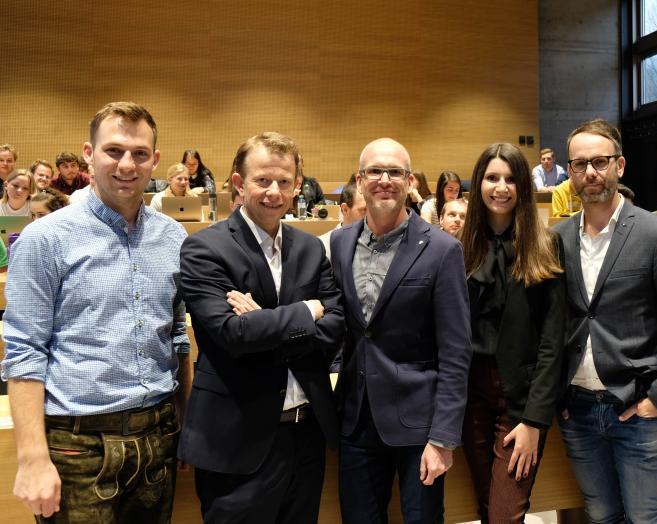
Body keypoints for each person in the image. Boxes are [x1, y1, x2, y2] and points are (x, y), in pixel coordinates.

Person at [1, 101, 191, 522]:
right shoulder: (45, 239)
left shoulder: (173, 237)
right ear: (89, 153)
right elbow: (24, 352)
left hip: (158, 436)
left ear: (155, 160)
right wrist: (33, 459)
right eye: (114, 150)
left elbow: (177, 333)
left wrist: (185, 417)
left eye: (140, 153)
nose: (127, 164)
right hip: (78, 448)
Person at [178, 132, 344, 523]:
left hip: (306, 435)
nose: (274, 191)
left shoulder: (310, 248)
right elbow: (232, 336)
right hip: (237, 438)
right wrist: (306, 311)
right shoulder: (204, 248)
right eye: (262, 180)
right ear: (238, 183)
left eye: (285, 182)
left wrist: (263, 323)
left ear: (297, 186)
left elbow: (336, 326)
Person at [552, 119, 657, 523]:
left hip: (638, 408)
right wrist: (557, 396)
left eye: (599, 162)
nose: (590, 173)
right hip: (578, 409)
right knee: (599, 515)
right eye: (579, 164)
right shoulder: (559, 238)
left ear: (620, 165)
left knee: (644, 517)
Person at [330, 138, 471, 523]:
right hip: (356, 420)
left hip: (419, 426)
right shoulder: (340, 243)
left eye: (395, 172)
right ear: (360, 181)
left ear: (409, 182)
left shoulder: (442, 249)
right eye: (375, 171)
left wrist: (443, 437)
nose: (384, 180)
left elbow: (456, 352)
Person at [460, 143, 566, 522]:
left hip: (519, 400)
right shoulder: (462, 247)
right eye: (491, 178)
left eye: (509, 179)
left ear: (523, 186)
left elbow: (553, 341)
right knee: (487, 507)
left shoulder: (546, 244)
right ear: (479, 183)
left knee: (506, 513)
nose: (500, 187)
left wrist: (535, 420)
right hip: (472, 398)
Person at [318, 180, 367, 259]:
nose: (371, 216)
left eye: (373, 210)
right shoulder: (323, 246)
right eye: (364, 210)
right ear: (345, 210)